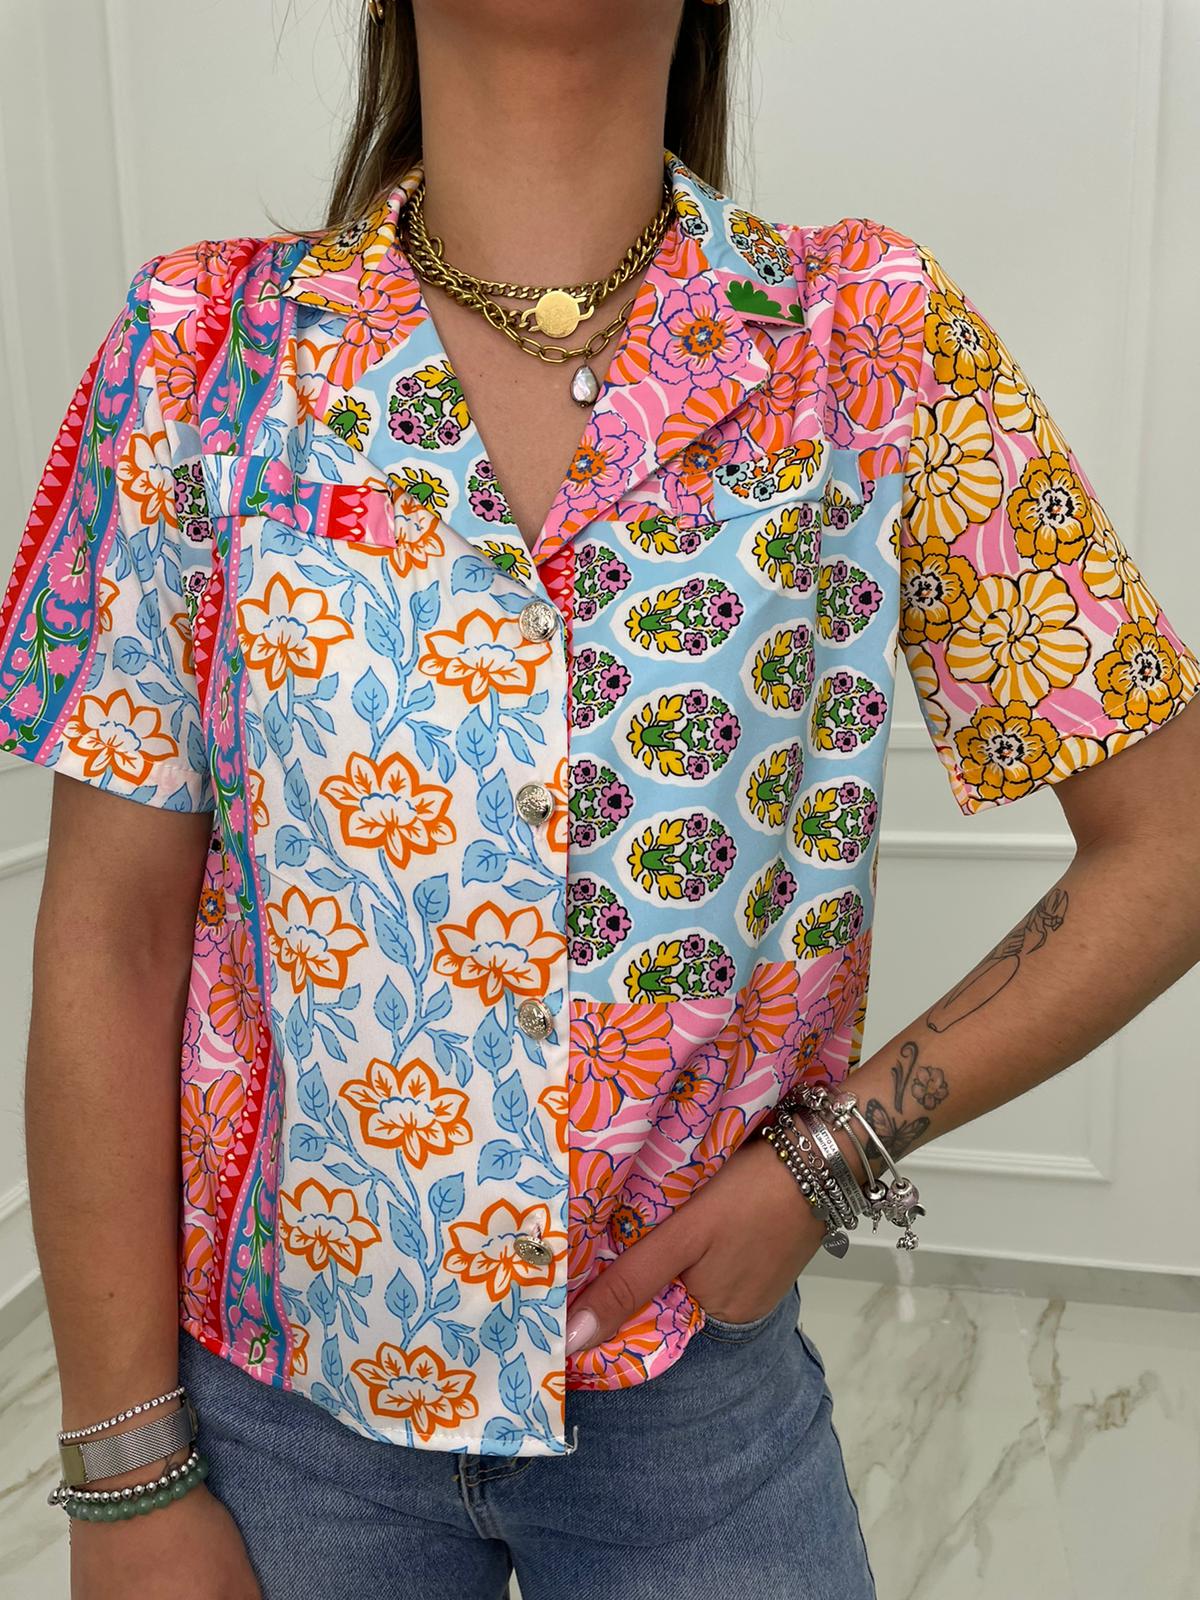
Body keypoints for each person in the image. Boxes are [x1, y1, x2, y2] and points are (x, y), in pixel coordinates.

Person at [5, 0, 1199, 1596]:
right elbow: (112, 936)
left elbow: (1173, 838)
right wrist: (126, 1474)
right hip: (282, 1420)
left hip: (690, 1415)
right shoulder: (198, 352)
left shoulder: (865, 339)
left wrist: (833, 1154)